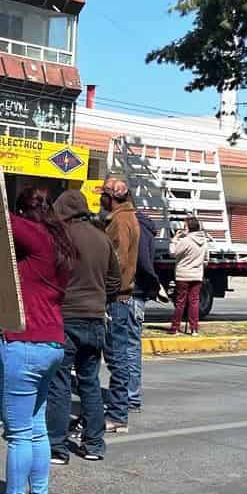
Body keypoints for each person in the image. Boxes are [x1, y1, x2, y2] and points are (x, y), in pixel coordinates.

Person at [0, 186, 72, 494]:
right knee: (36, 429)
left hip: (23, 342)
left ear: (27, 210)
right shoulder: (61, 242)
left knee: (17, 435)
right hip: (51, 342)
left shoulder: (36, 235)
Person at [48, 188, 120, 464]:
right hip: (96, 319)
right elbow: (115, 280)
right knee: (90, 382)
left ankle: (57, 446)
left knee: (60, 382)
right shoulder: (102, 239)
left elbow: (47, 276)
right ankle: (94, 444)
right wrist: (101, 297)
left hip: (65, 318)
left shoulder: (59, 238)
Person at [100, 178, 143, 434]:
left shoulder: (120, 221)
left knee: (116, 358)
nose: (100, 199)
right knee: (119, 357)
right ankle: (118, 410)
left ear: (112, 197)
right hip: (120, 297)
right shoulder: (125, 216)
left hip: (117, 299)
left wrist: (107, 290)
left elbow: (118, 261)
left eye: (103, 195)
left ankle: (117, 414)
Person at [169, 216, 210, 335]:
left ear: (189, 227)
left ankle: (175, 327)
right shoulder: (204, 241)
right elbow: (206, 260)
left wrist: (174, 239)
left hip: (183, 275)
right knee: (194, 302)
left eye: (185, 226)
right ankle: (194, 329)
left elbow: (173, 252)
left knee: (180, 301)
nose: (183, 229)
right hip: (197, 275)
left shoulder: (185, 241)